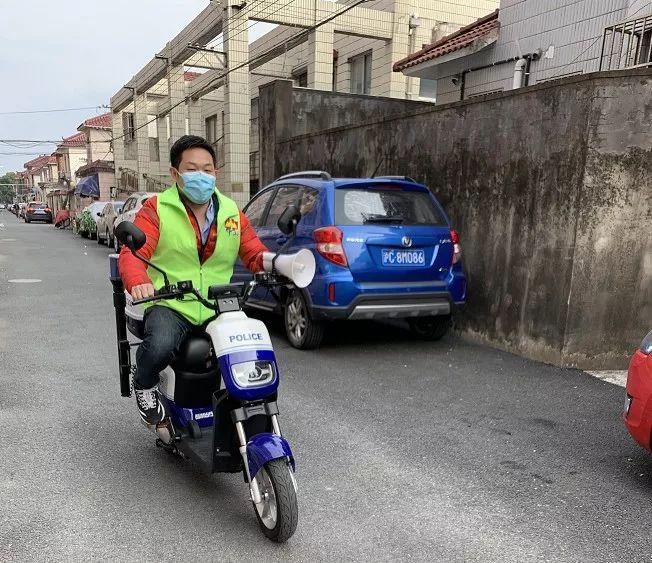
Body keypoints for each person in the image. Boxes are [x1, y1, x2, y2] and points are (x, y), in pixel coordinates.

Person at [119, 135, 268, 425]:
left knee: (251, 348)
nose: (201, 175)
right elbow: (133, 253)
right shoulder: (156, 208)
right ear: (175, 174)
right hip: (171, 302)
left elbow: (253, 251)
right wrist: (138, 279)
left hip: (217, 304)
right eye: (192, 169)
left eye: (207, 169)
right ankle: (145, 384)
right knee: (160, 344)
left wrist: (279, 264)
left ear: (216, 173)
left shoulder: (231, 212)